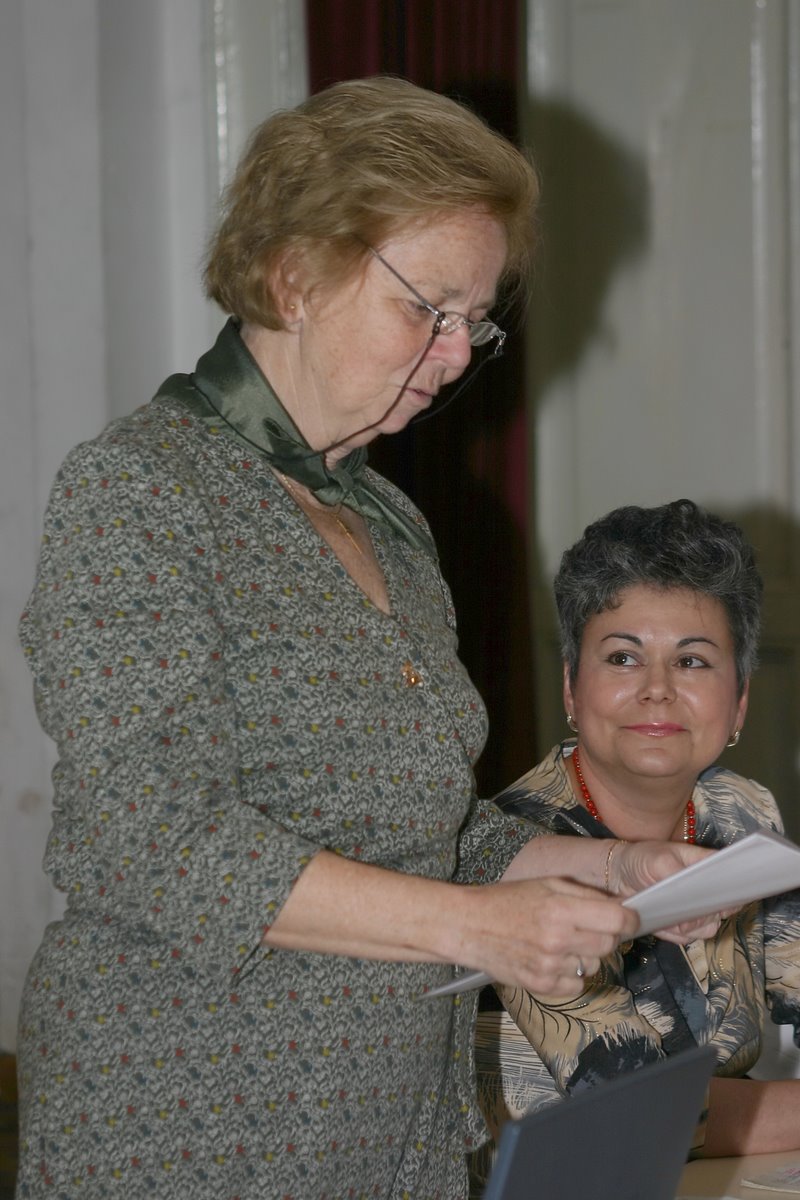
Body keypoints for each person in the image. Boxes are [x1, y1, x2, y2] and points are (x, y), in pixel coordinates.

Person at [15, 80, 716, 1199]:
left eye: (473, 322)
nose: (455, 356)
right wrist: (479, 930)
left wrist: (608, 862)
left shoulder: (388, 520)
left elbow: (420, 831)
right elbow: (145, 835)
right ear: (295, 276)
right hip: (193, 1122)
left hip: (393, 1124)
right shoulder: (142, 488)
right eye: (427, 310)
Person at [474, 498, 800, 1179]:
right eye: (623, 657)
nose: (657, 690)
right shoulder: (515, 853)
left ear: (739, 700)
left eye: (693, 662)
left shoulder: (741, 810)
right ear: (571, 687)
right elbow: (641, 1112)